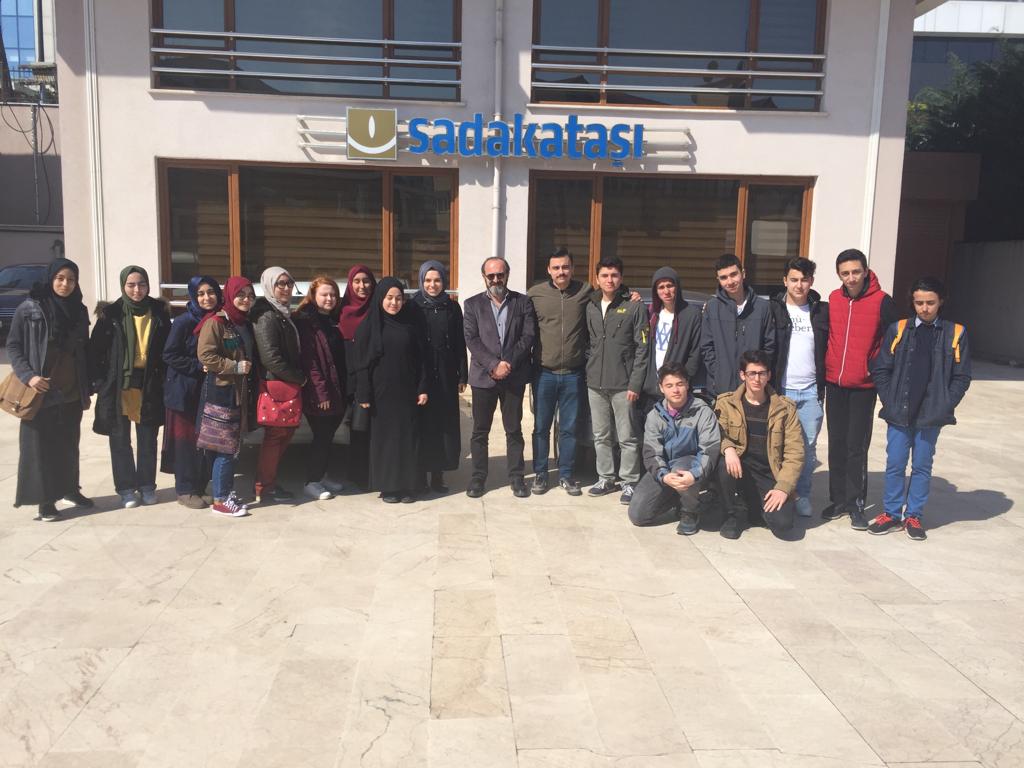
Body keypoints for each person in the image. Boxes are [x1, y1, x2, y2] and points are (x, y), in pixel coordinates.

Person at [868, 277, 972, 541]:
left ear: (941, 302)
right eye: (919, 303)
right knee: (895, 464)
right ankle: (891, 513)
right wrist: (889, 399)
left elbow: (961, 377)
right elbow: (881, 368)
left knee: (922, 467)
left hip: (930, 415)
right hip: (899, 411)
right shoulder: (899, 329)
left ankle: (913, 515)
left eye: (930, 303)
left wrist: (945, 404)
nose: (924, 308)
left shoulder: (956, 333)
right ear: (912, 303)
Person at [7, 258, 93, 521]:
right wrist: (29, 376)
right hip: (40, 391)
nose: (65, 284)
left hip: (70, 391)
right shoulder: (30, 308)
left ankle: (70, 489)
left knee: (68, 446)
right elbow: (14, 346)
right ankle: (45, 502)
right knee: (40, 448)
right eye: (60, 278)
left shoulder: (79, 310)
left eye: (71, 279)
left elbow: (83, 349)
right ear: (50, 279)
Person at [822, 249, 899, 529]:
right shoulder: (834, 298)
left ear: (865, 271)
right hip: (835, 383)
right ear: (839, 275)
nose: (851, 278)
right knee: (836, 443)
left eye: (856, 272)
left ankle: (856, 504)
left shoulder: (882, 301)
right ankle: (838, 500)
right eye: (845, 273)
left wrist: (875, 367)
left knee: (856, 445)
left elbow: (895, 341)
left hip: (863, 386)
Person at [89, 265, 169, 508]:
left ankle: (147, 487)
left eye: (142, 284)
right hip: (118, 387)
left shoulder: (158, 312)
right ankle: (126, 489)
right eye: (131, 285)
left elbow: (167, 350)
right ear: (123, 286)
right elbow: (95, 352)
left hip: (148, 385)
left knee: (148, 440)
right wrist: (100, 383)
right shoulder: (110, 314)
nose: (137, 290)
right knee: (119, 440)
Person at [463, 257, 537, 499]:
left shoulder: (522, 302)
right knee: (480, 431)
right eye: (491, 275)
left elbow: (528, 336)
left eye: (500, 275)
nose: (496, 279)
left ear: (507, 275)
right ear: (484, 277)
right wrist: (494, 365)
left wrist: (508, 363)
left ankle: (516, 477)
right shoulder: (472, 304)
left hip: (513, 377)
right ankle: (478, 478)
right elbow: (471, 339)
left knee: (513, 429)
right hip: (484, 377)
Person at [714, 350, 804, 540]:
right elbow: (716, 434)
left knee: (783, 525)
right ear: (742, 375)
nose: (757, 379)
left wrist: (783, 487)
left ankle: (752, 508)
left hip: (768, 472)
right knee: (723, 464)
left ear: (769, 375)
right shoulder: (726, 403)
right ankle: (732, 515)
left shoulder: (785, 408)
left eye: (762, 373)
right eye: (752, 373)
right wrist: (728, 449)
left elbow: (795, 452)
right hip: (739, 469)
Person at [355, 277, 429, 503]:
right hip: (381, 394)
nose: (394, 303)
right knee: (385, 441)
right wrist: (363, 393)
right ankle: (389, 487)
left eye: (398, 298)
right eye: (389, 298)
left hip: (407, 392)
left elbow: (421, 360)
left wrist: (422, 388)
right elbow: (361, 364)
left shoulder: (410, 326)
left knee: (408, 439)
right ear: (380, 298)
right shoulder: (369, 326)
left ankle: (409, 486)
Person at [585, 256, 649, 505]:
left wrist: (635, 383)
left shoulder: (634, 306)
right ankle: (605, 478)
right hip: (595, 383)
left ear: (621, 278)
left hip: (624, 385)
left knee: (627, 437)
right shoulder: (591, 305)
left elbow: (642, 348)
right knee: (601, 435)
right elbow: (589, 343)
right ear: (597, 278)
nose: (609, 280)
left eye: (614, 275)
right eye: (604, 275)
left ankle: (629, 481)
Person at [628, 362, 721, 535]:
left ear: (687, 384)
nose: (675, 390)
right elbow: (651, 453)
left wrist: (695, 474)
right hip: (666, 468)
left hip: (692, 467)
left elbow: (709, 449)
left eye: (679, 384)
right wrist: (663, 476)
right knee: (638, 515)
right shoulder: (655, 415)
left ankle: (690, 511)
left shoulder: (702, 412)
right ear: (661, 388)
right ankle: (679, 498)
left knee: (680, 469)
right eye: (669, 386)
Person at [527, 247, 590, 496]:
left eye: (565, 267)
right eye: (556, 268)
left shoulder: (585, 291)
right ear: (548, 270)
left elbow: (611, 294)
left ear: (572, 268)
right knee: (541, 427)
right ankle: (541, 474)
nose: (561, 272)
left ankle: (566, 474)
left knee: (569, 428)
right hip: (544, 373)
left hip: (573, 374)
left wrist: (629, 293)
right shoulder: (535, 294)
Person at [769, 257, 829, 518]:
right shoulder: (773, 309)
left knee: (807, 448)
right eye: (794, 279)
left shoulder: (822, 311)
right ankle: (781, 491)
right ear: (785, 281)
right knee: (778, 445)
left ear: (811, 281)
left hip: (811, 391)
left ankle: (802, 494)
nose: (799, 285)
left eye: (804, 280)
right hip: (781, 390)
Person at [197, 276, 256, 517]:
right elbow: (206, 355)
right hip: (222, 393)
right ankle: (221, 500)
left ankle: (225, 493)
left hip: (238, 393)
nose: (246, 299)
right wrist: (235, 367)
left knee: (233, 447)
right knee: (225, 448)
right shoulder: (217, 322)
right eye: (240, 295)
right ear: (230, 296)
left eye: (250, 295)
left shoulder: (243, 323)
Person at [161, 276, 220, 509]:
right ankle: (185, 490)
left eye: (211, 292)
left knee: (204, 442)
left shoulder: (219, 320)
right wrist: (198, 366)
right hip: (183, 391)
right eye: (200, 294)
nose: (206, 298)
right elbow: (169, 354)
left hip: (207, 390)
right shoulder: (184, 322)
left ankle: (200, 486)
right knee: (185, 443)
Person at [250, 266, 305, 504]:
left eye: (289, 283)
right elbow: (270, 357)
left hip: (286, 383)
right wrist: (298, 378)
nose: (285, 288)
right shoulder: (266, 315)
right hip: (277, 384)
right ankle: (265, 487)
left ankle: (268, 482)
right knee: (275, 437)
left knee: (284, 435)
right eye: (279, 284)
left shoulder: (282, 312)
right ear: (269, 286)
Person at [412, 260, 467, 494]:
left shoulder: (452, 308)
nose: (432, 285)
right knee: (423, 423)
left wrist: (462, 375)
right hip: (421, 372)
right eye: (427, 280)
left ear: (444, 281)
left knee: (443, 424)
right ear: (421, 281)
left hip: (445, 373)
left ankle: (438, 474)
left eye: (437, 280)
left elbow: (459, 343)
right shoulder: (413, 306)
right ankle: (420, 475)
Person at [294, 275, 347, 501]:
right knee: (322, 436)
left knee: (327, 436)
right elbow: (310, 362)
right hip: (320, 392)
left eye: (333, 294)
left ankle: (322, 476)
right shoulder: (307, 322)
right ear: (313, 296)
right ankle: (312, 481)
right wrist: (321, 392)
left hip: (337, 388)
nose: (329, 298)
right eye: (324, 294)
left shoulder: (332, 319)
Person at [700, 253, 776, 397]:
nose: (730, 281)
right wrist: (718, 373)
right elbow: (706, 347)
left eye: (733, 274)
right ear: (718, 279)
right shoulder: (712, 307)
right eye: (724, 277)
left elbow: (769, 346)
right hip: (721, 391)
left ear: (743, 273)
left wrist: (757, 375)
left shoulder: (762, 307)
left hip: (754, 390)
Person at [641, 266, 702, 412]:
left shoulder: (691, 315)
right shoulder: (652, 313)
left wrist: (682, 380)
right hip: (651, 390)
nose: (666, 291)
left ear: (677, 286)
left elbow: (696, 352)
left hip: (676, 391)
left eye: (670, 285)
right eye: (661, 287)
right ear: (656, 291)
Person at [337, 264, 377, 489]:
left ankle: (376, 473)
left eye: (366, 281)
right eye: (357, 281)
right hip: (348, 377)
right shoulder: (340, 310)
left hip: (375, 376)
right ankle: (359, 476)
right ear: (350, 284)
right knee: (357, 428)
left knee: (374, 428)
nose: (362, 286)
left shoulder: (378, 308)